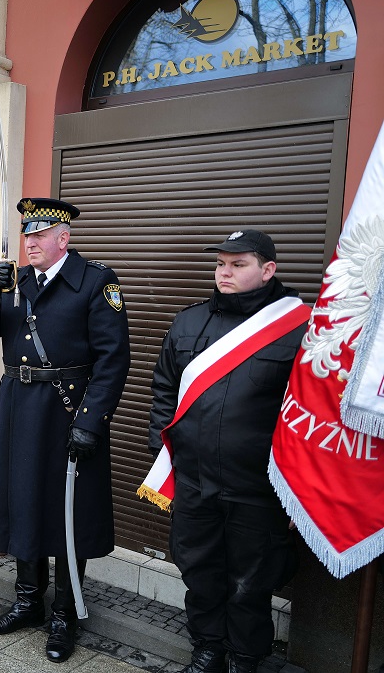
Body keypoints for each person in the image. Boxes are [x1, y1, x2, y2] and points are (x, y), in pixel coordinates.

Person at [0, 197, 130, 662]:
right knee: (23, 500)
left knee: (67, 511)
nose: (30, 243)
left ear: (64, 238)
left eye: (39, 235)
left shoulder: (95, 282)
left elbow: (114, 359)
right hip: (19, 409)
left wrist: (91, 421)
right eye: (27, 235)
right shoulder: (14, 282)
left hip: (66, 411)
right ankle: (27, 601)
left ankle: (65, 613)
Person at [149, 230, 305, 673]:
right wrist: (163, 450)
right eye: (220, 264)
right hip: (194, 482)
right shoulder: (188, 322)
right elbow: (164, 389)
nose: (225, 272)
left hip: (258, 487)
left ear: (268, 270)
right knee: (199, 572)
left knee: (250, 582)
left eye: (238, 264)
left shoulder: (299, 328)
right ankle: (208, 649)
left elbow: (310, 414)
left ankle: (244, 658)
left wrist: (298, 489)